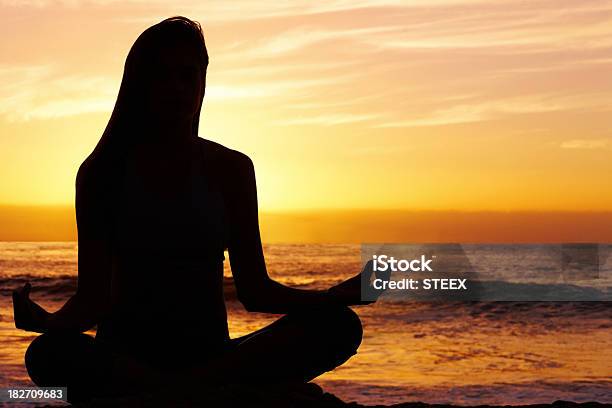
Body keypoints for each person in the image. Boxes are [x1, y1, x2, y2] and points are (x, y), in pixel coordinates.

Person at [12, 16, 380, 403]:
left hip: (212, 357)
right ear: (140, 83)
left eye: (187, 76)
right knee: (47, 354)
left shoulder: (232, 168)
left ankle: (173, 392)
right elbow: (94, 299)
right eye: (162, 76)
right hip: (127, 358)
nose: (177, 88)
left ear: (202, 82)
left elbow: (255, 291)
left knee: (338, 326)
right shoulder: (102, 172)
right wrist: (47, 322)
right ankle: (197, 393)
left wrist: (337, 296)